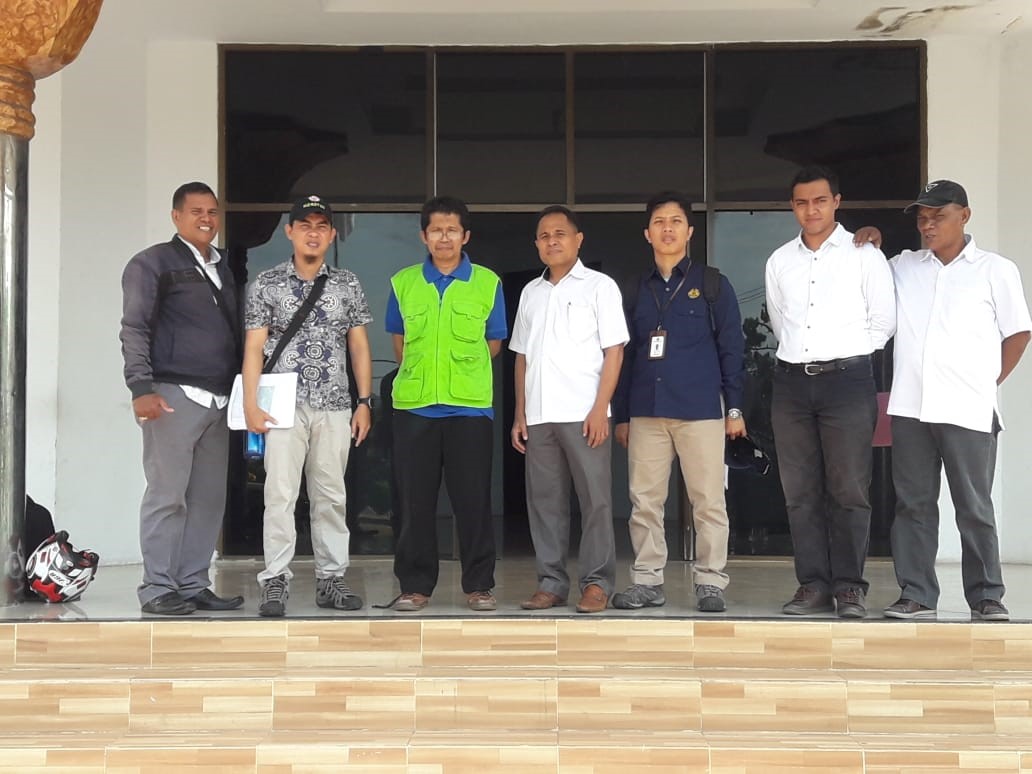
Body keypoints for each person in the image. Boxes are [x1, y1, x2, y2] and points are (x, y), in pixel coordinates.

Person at [884, 180, 1031, 622]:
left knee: (974, 506)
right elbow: (863, 272)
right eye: (922, 217)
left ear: (964, 216)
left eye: (938, 215)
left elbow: (1018, 333)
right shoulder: (904, 266)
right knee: (913, 505)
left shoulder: (995, 269)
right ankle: (916, 593)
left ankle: (987, 595)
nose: (928, 225)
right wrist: (869, 236)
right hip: (911, 407)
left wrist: (987, 381)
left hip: (968, 409)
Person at [764, 165, 895, 619]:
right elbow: (781, 324)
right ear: (793, 206)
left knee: (850, 488)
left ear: (836, 202)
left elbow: (883, 321)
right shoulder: (780, 260)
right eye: (801, 202)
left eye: (820, 200)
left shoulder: (864, 253)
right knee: (799, 490)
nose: (811, 209)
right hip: (792, 383)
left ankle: (850, 587)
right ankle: (813, 585)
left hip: (848, 381)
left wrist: (847, 355)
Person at [611, 191, 746, 613]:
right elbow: (625, 353)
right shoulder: (634, 288)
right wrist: (621, 413)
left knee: (708, 500)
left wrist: (735, 408)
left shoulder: (711, 285)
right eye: (659, 222)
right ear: (647, 233)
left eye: (675, 221)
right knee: (645, 502)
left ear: (689, 231)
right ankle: (648, 581)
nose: (667, 229)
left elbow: (732, 348)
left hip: (702, 410)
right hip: (647, 411)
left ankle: (710, 582)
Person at [243, 195, 373, 617]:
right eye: (305, 224)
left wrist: (364, 401)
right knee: (279, 495)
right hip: (282, 406)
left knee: (331, 495)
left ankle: (331, 579)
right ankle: (276, 580)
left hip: (335, 403)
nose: (313, 232)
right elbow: (254, 346)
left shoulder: (347, 283)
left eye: (321, 225)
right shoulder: (267, 283)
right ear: (290, 232)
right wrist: (249, 403)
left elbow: (358, 345)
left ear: (332, 233)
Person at [120, 181, 245, 615]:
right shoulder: (152, 262)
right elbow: (134, 327)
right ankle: (156, 587)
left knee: (209, 499)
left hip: (218, 399)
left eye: (212, 211)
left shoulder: (221, 267)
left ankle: (192, 583)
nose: (206, 219)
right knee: (167, 494)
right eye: (196, 212)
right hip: (172, 394)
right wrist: (141, 387)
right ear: (176, 216)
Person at [386, 196, 507, 613]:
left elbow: (493, 342)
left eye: (451, 230)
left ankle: (479, 585)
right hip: (415, 407)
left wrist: (458, 373)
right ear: (424, 236)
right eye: (436, 230)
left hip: (469, 408)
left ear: (465, 236)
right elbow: (398, 341)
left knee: (472, 500)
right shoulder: (403, 282)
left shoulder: (488, 282)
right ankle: (415, 586)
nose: (444, 237)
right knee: (415, 502)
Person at [511, 205, 629, 614]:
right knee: (545, 503)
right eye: (544, 236)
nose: (552, 241)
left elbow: (614, 350)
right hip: (540, 416)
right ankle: (551, 582)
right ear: (537, 245)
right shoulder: (530, 293)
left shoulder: (599, 287)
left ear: (578, 240)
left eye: (560, 234)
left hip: (585, 413)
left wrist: (601, 409)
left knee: (595, 500)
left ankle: (597, 584)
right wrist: (520, 413)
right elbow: (521, 357)